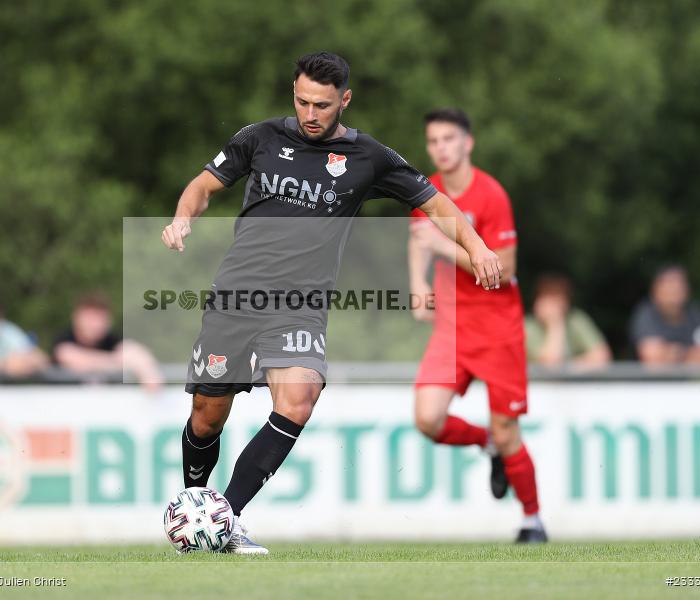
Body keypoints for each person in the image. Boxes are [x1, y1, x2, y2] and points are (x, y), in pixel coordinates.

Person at [160, 53, 502, 554]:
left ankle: (224, 520)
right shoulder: (259, 138)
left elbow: (435, 204)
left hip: (299, 305)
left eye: (322, 104)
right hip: (236, 296)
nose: (310, 113)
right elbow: (203, 185)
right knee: (208, 416)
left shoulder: (370, 158)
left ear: (344, 99)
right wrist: (182, 217)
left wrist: (477, 246)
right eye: (302, 102)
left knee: (299, 398)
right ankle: (196, 507)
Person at [408, 108, 546, 543]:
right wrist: (416, 283)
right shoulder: (426, 190)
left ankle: (532, 520)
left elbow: (503, 270)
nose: (441, 148)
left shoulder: (491, 195)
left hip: (497, 330)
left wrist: (444, 248)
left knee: (510, 432)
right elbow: (419, 240)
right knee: (428, 419)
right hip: (451, 330)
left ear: (468, 142)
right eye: (433, 141)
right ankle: (485, 442)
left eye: (449, 139)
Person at [52, 292, 164, 393]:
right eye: (91, 318)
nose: (95, 324)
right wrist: (120, 362)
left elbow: (134, 351)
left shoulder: (112, 340)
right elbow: (70, 357)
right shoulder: (64, 339)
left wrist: (147, 371)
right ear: (77, 318)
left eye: (100, 318)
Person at [630, 265, 700, 365]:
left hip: (691, 379)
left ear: (687, 290)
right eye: (669, 289)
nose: (674, 296)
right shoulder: (646, 314)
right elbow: (653, 360)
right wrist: (689, 354)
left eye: (678, 289)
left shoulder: (695, 313)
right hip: (652, 381)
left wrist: (671, 354)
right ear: (655, 291)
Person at [524, 274, 611, 368]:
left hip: (572, 382)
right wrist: (555, 324)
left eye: (558, 297)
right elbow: (549, 365)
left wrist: (569, 368)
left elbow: (601, 356)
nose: (554, 306)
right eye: (549, 297)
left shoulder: (576, 320)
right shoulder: (527, 327)